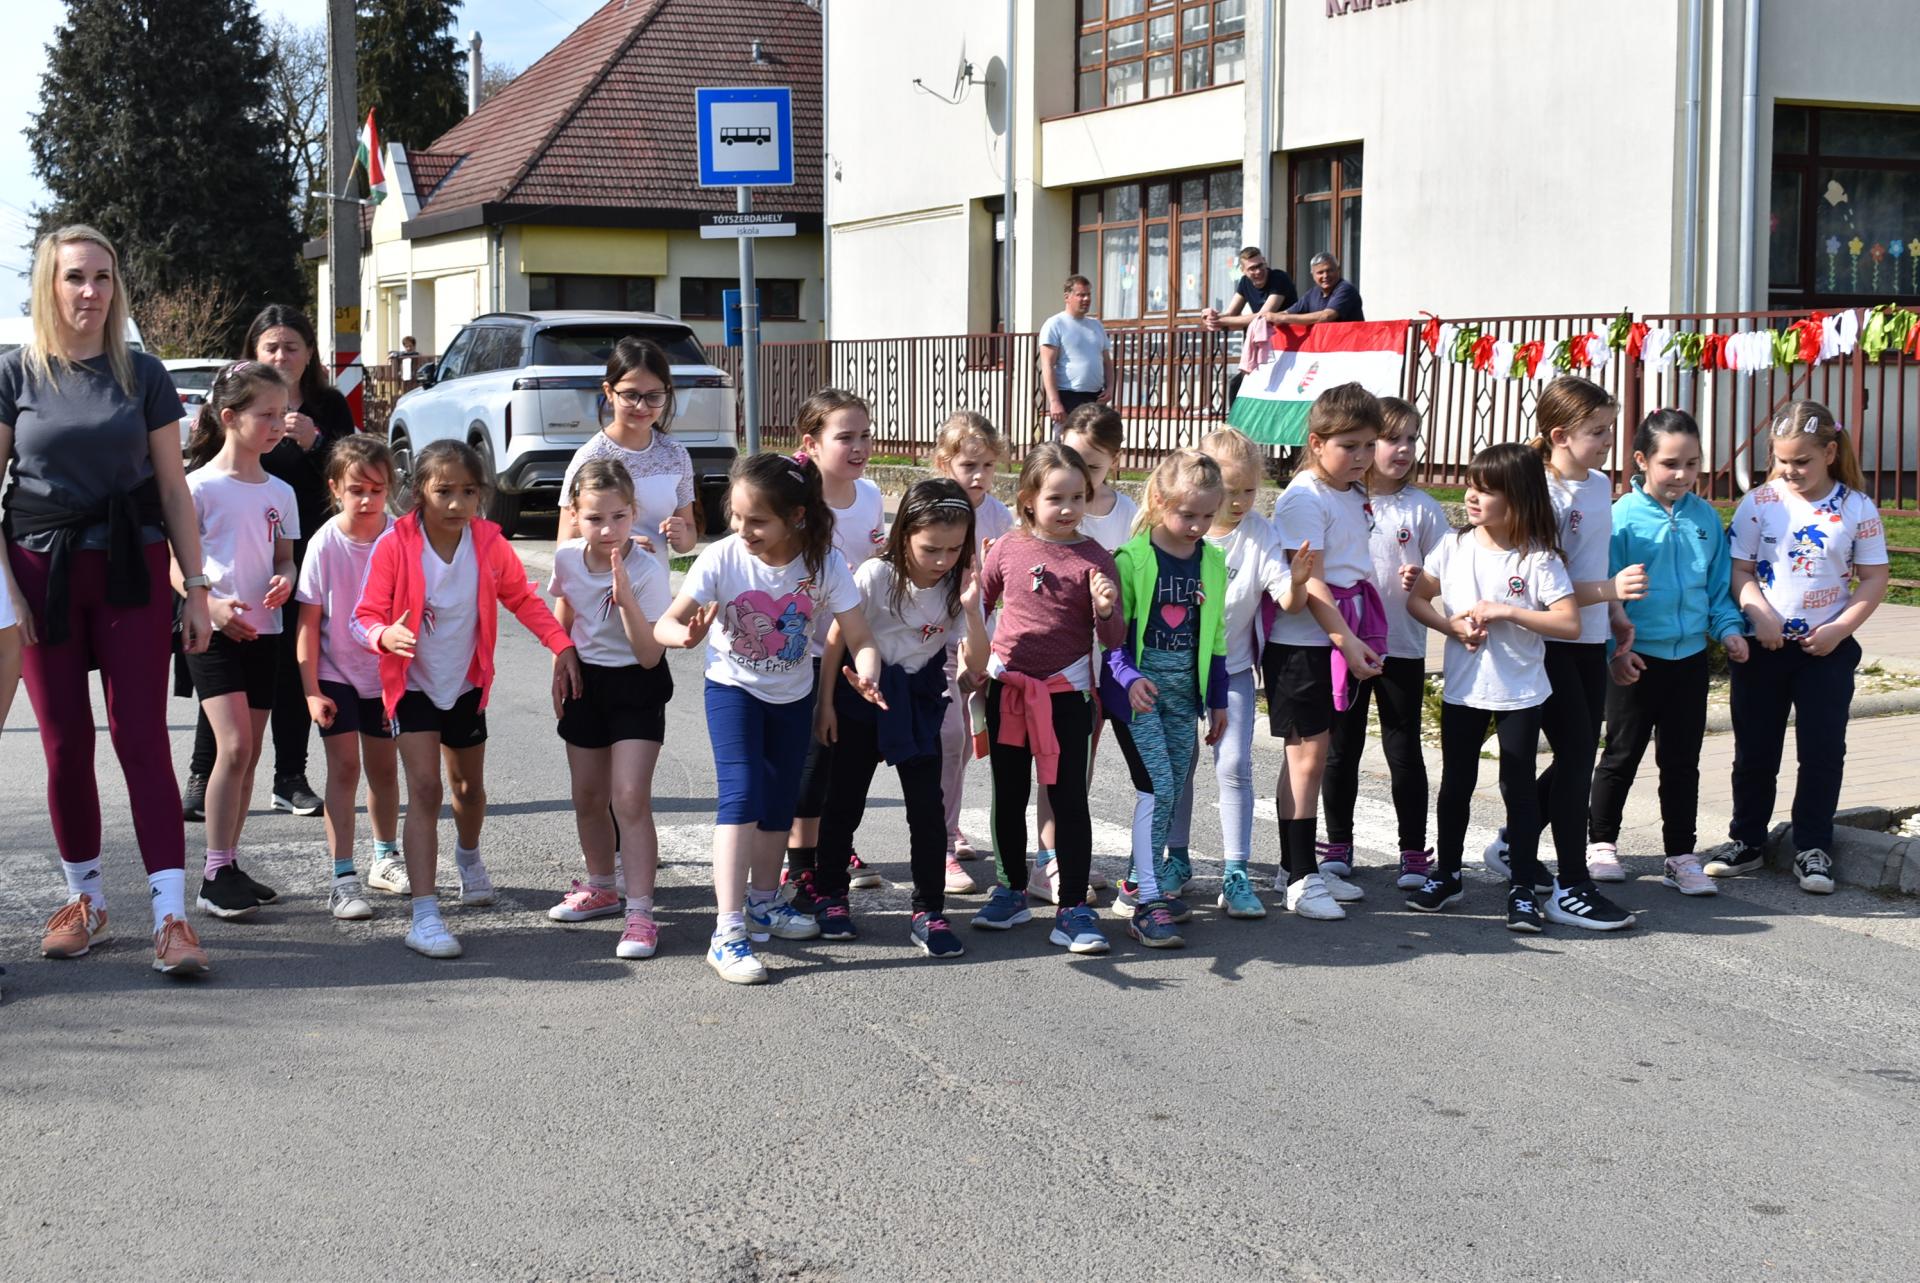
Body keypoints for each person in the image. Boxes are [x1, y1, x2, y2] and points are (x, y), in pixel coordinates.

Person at [2, 225, 213, 975]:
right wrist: (9, 595)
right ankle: (84, 901)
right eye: (75, 277)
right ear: (49, 285)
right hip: (40, 571)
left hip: (133, 566)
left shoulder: (143, 373)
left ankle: (171, 917)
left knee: (141, 737)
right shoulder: (15, 373)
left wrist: (197, 587)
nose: (90, 290)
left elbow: (173, 489)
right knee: (65, 742)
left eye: (102, 276)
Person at [655, 452, 884, 985]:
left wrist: (868, 673)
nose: (742, 529)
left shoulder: (824, 563)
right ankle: (727, 931)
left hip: (793, 694)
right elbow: (666, 622)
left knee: (781, 800)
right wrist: (684, 637)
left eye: (756, 520)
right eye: (736, 516)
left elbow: (861, 637)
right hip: (732, 689)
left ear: (796, 516)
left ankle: (763, 903)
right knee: (742, 796)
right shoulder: (723, 558)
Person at [352, 440, 583, 959]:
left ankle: (469, 857)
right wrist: (384, 635)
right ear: (419, 493)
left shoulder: (488, 542)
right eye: (444, 491)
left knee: (468, 789)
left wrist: (561, 644)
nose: (457, 503)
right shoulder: (395, 545)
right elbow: (361, 616)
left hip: (466, 684)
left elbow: (521, 597)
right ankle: (424, 915)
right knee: (425, 789)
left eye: (469, 491)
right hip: (412, 685)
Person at [1482, 377, 1644, 930]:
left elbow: (1595, 563)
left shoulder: (1598, 486)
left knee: (1579, 757)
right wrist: (1609, 591)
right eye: (1597, 431)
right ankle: (1571, 886)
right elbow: (1538, 585)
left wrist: (1615, 614)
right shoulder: (1539, 493)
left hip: (1590, 638)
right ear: (1559, 436)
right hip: (1546, 641)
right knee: (1575, 761)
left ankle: (1515, 843)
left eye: (1609, 429)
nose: (1608, 440)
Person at [183, 306, 355, 823]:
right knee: (225, 690)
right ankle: (203, 776)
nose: (282, 356)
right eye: (271, 347)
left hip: (298, 555)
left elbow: (351, 472)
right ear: (254, 353)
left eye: (292, 346)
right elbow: (198, 477)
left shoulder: (326, 405)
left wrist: (316, 443)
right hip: (222, 575)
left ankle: (290, 778)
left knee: (293, 669)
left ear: (310, 353)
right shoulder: (232, 409)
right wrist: (200, 594)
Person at [1403, 442, 1581, 932]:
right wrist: (1450, 627)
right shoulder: (1453, 546)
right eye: (1471, 486)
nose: (1471, 497)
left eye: (1486, 490)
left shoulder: (1538, 558)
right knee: (1455, 783)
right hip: (1464, 688)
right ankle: (1447, 874)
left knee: (1518, 788)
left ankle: (1521, 885)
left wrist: (1507, 611)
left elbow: (1568, 622)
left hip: (1520, 691)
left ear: (1518, 498)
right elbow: (1418, 600)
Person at [1712, 401, 1888, 894]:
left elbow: (1874, 578)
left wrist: (1840, 629)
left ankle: (1812, 847)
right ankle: (1747, 840)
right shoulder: (1759, 502)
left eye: (1803, 461)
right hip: (1762, 648)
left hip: (1825, 651)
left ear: (1830, 452)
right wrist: (1759, 614)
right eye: (1782, 460)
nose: (1791, 470)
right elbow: (1739, 570)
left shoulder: (1857, 507)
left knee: (1822, 751)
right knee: (1754, 751)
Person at [814, 479, 989, 956]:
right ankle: (830, 895)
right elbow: (836, 639)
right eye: (931, 548)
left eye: (954, 548)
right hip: (861, 694)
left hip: (919, 699)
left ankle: (929, 910)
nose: (942, 560)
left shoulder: (958, 585)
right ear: (905, 533)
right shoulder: (876, 576)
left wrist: (973, 612)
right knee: (844, 801)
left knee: (928, 811)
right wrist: (825, 704)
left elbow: (977, 663)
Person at [973, 442, 1127, 955]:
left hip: (1068, 695)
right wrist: (972, 654)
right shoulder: (1007, 548)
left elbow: (1115, 638)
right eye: (1056, 498)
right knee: (1009, 792)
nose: (1067, 509)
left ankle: (1073, 907)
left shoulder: (1095, 558)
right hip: (1009, 690)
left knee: (1068, 800)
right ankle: (1010, 889)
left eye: (1077, 498)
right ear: (1028, 500)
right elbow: (981, 603)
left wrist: (1105, 609)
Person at [1587, 410, 1748, 896]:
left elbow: (1717, 588)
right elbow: (1606, 594)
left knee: (1681, 761)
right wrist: (1616, 650)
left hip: (1689, 660)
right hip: (1635, 658)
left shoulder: (1705, 518)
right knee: (1621, 754)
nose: (1682, 474)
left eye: (1692, 464)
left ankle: (1680, 856)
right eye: (1670, 463)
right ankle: (1601, 843)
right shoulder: (1620, 518)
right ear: (1641, 460)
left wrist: (1729, 630)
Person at [180, 362, 299, 921]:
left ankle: (228, 863)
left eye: (283, 413)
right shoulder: (198, 486)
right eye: (266, 414)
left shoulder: (281, 490)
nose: (277, 425)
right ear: (228, 417)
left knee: (248, 754)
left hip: (265, 632)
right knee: (231, 748)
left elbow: (285, 558)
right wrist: (208, 605)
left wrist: (286, 580)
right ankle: (212, 876)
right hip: (213, 633)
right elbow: (173, 564)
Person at [1164, 427, 1297, 918]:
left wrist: (1299, 582)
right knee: (1179, 765)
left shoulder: (1260, 533)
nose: (1239, 501)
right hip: (1177, 673)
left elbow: (1285, 592)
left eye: (1249, 490)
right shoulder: (1178, 531)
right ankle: (1176, 860)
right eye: (1230, 490)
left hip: (1233, 670)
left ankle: (1235, 873)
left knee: (1235, 765)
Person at [546, 459, 675, 958]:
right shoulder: (566, 558)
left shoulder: (647, 570)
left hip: (636, 683)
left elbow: (650, 654)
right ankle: (601, 885)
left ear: (634, 513)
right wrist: (560, 657)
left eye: (619, 517)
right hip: (586, 680)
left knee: (629, 797)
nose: (608, 530)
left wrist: (625, 601)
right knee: (588, 795)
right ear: (575, 516)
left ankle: (640, 912)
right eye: (595, 518)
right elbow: (564, 606)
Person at [1101, 450, 1230, 948]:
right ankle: (1146, 901)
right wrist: (1128, 677)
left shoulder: (1212, 560)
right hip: (1140, 698)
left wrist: (1217, 699)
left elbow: (1215, 636)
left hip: (1184, 697)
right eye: (1187, 514)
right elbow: (1111, 637)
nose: (1198, 526)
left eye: (1207, 516)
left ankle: (1138, 880)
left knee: (1173, 790)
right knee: (1156, 788)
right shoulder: (1132, 559)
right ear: (1158, 500)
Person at [1268, 383, 1385, 920]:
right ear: (1316, 443)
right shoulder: (1304, 498)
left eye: (1369, 445)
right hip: (1303, 645)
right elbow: (1310, 581)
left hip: (1337, 637)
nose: (1362, 456)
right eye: (1349, 446)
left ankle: (1294, 866)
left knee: (1310, 758)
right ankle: (1299, 877)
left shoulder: (1350, 491)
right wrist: (1346, 639)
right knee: (1307, 758)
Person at [1320, 397, 1447, 888]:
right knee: (1341, 747)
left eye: (1412, 438)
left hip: (1402, 647)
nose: (1404, 448)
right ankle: (1338, 842)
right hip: (1345, 645)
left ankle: (1413, 850)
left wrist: (1425, 579)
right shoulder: (1344, 499)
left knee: (1403, 748)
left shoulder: (1423, 508)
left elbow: (1449, 570)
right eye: (1392, 439)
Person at [1027, 400, 1135, 897]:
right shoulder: (1053, 509)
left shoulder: (1130, 515)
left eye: (1090, 466)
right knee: (1055, 764)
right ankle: (1046, 860)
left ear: (1114, 460)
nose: (1079, 475)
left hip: (1111, 658)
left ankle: (1068, 851)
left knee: (1081, 766)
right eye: (1070, 458)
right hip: (1061, 662)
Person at [296, 434, 404, 920]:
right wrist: (311, 691)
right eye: (356, 490)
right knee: (343, 769)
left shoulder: (401, 537)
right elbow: (308, 623)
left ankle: (385, 858)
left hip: (386, 674)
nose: (366, 500)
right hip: (335, 670)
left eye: (377, 490)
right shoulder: (324, 543)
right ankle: (342, 878)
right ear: (335, 488)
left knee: (384, 771)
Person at [786, 389, 888, 895]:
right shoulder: (796, 501)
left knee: (846, 761)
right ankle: (798, 862)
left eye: (865, 435)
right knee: (810, 763)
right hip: (799, 652)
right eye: (845, 437)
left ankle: (832, 843)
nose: (859, 446)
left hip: (852, 648)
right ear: (811, 443)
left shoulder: (869, 496)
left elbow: (875, 559)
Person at [930, 411, 1014, 892]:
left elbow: (1002, 583)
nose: (979, 475)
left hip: (981, 638)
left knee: (963, 743)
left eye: (987, 466)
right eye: (968, 466)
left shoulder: (999, 514)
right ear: (945, 463)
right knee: (950, 738)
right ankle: (939, 843)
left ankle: (950, 824)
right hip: (937, 639)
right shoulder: (932, 507)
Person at [557, 337, 697, 580]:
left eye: (653, 396)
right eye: (631, 395)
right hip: (601, 592)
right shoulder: (591, 457)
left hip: (654, 591)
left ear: (667, 393)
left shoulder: (676, 454)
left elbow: (688, 535)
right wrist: (622, 547)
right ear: (609, 392)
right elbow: (566, 544)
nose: (641, 407)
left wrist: (682, 536)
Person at [1039, 275, 1113, 426]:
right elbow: (1047, 365)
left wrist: (1110, 388)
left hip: (1096, 397)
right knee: (1070, 438)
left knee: (1096, 438)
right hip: (1069, 396)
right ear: (1067, 297)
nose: (1086, 299)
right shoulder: (1055, 324)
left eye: (1088, 294)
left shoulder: (1096, 325)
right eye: (1081, 295)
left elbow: (1107, 362)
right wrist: (1054, 401)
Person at [1200, 246, 1299, 332]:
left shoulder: (1279, 278)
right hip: (1267, 337)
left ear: (1265, 261)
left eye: (1260, 265)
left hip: (1292, 334)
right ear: (1242, 270)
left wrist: (1220, 321)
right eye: (1252, 268)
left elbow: (1263, 316)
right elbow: (1230, 313)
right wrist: (1210, 317)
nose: (1258, 271)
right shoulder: (1244, 282)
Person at [1285, 253, 1365, 325]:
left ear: (1338, 270)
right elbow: (1286, 313)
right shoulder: (1312, 294)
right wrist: (1278, 317)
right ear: (1313, 275)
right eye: (1320, 272)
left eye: (1330, 271)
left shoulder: (1346, 289)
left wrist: (1284, 318)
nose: (1325, 276)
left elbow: (1326, 316)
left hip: (1349, 337)